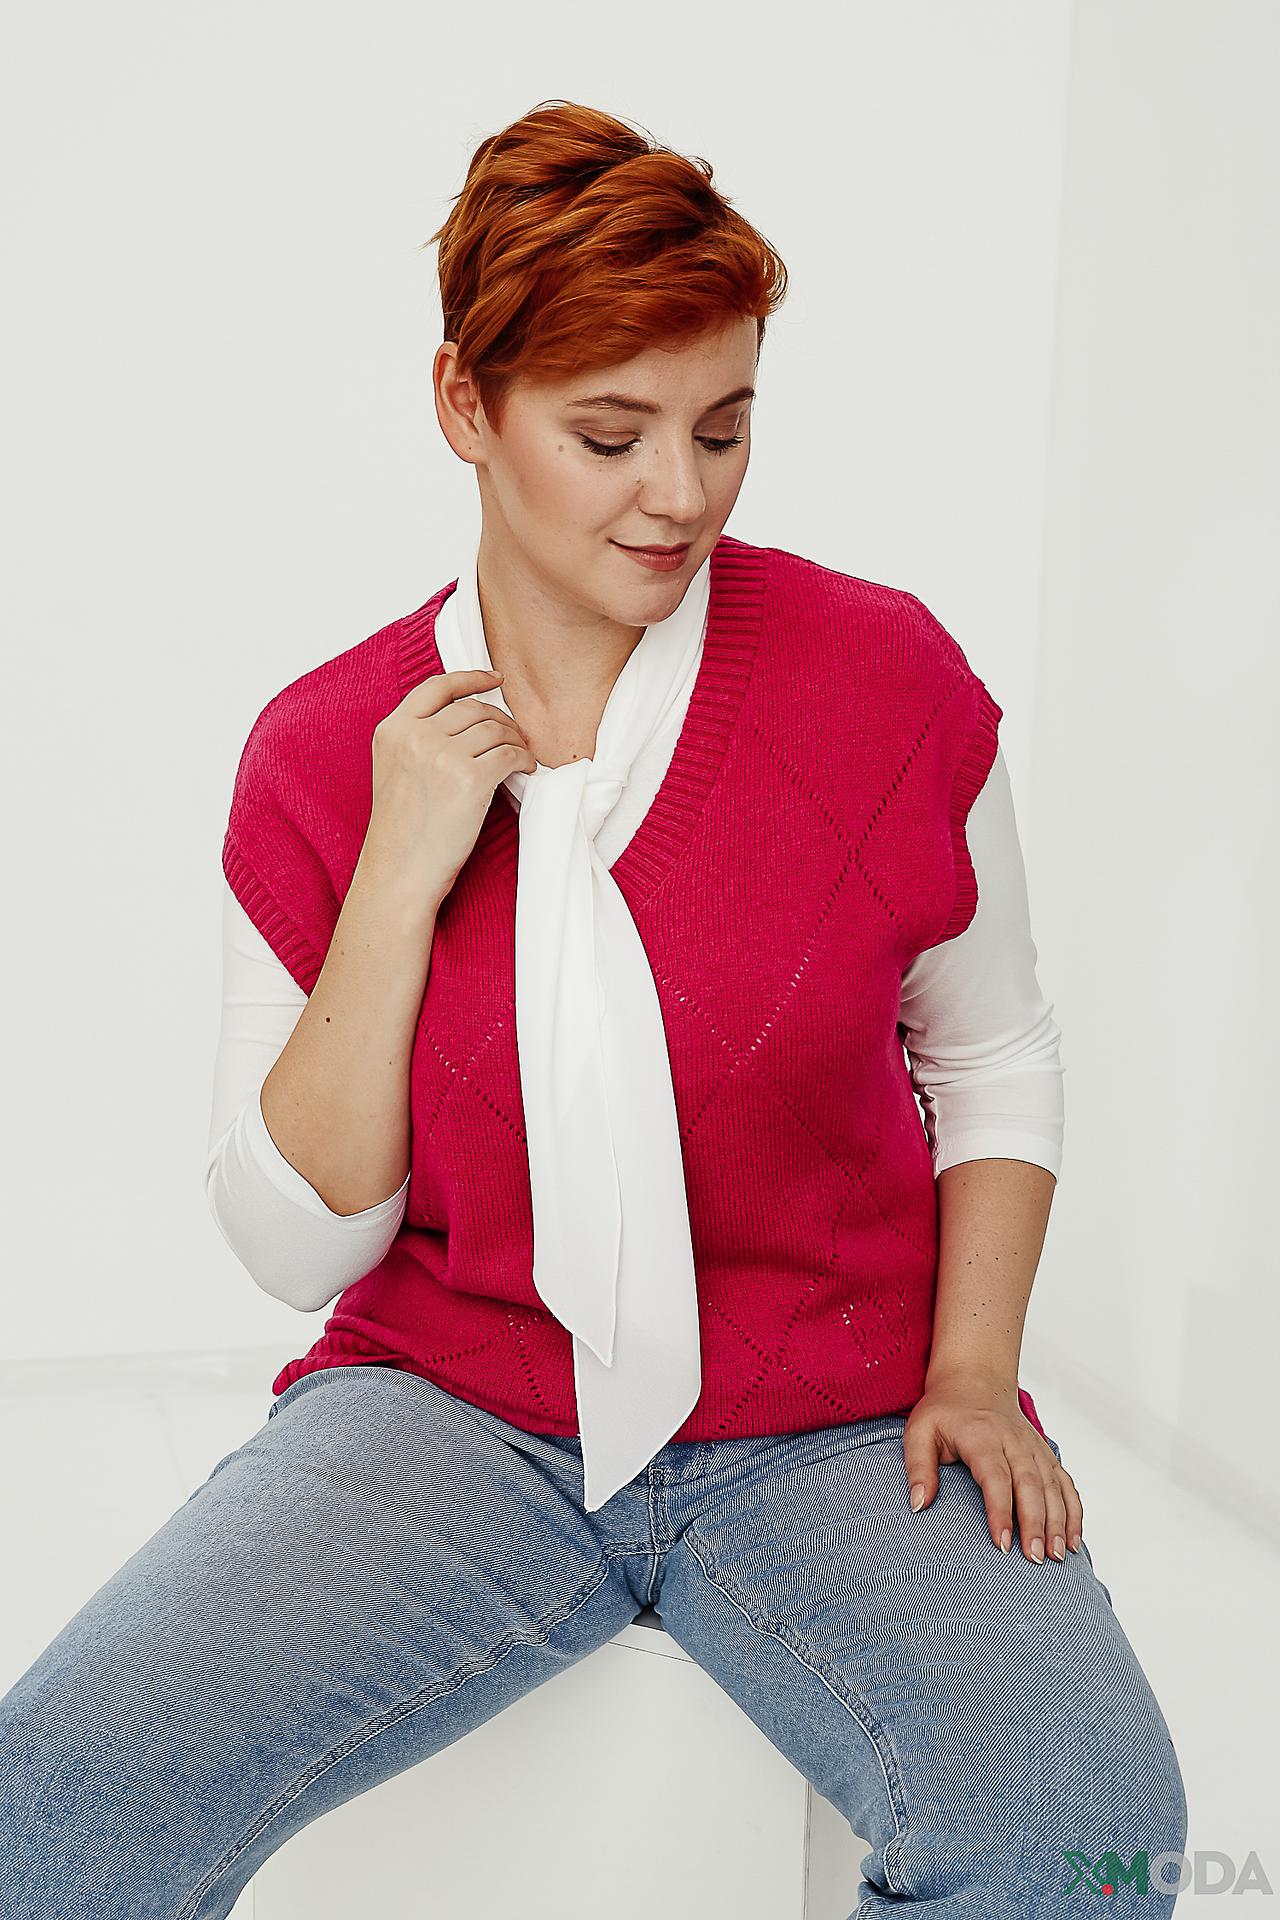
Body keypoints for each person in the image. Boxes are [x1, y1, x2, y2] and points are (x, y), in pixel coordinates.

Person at [0, 98, 1187, 1918]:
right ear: (466, 406)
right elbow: (298, 1245)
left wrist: (972, 1371)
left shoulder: (880, 681)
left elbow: (994, 1051)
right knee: (55, 1801)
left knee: (1084, 1835)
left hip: (843, 1423)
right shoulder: (322, 755)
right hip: (454, 1414)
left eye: (725, 428)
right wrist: (400, 876)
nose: (683, 497)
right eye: (611, 435)